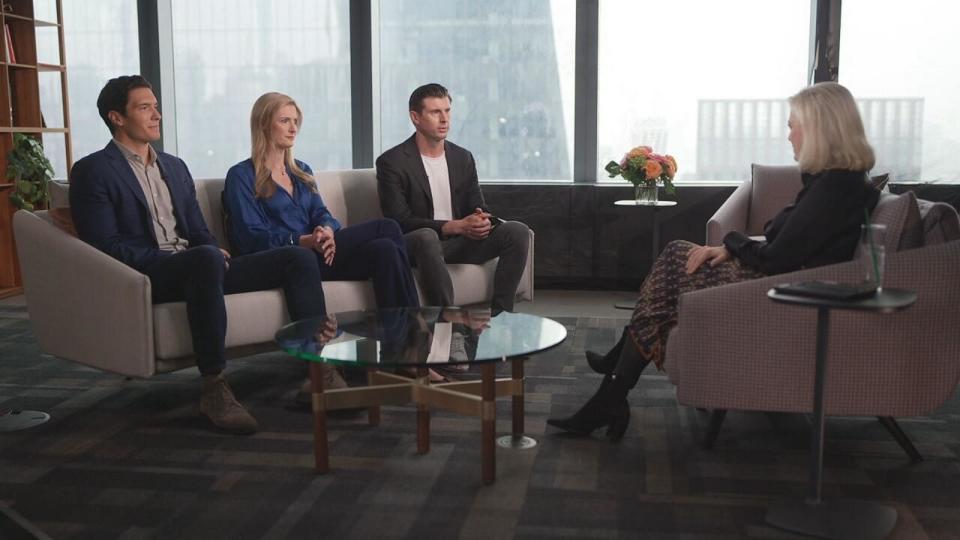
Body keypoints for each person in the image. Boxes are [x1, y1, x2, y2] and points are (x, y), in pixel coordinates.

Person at [547, 81, 881, 441]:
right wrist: (731, 248)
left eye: (792, 125)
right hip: (780, 281)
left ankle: (616, 379)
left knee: (675, 263)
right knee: (678, 257)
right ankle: (614, 388)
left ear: (819, 128)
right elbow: (783, 240)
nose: (789, 136)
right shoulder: (834, 183)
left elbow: (776, 256)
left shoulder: (833, 189)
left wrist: (732, 241)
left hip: (784, 293)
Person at [70, 76, 328, 435]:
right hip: (149, 273)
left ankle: (318, 370)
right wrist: (194, 256)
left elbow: (198, 230)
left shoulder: (174, 166)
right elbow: (105, 245)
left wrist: (211, 248)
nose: (156, 115)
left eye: (156, 106)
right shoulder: (93, 170)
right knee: (204, 259)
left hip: (200, 265)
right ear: (116, 117)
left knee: (296, 258)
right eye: (145, 108)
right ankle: (214, 387)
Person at [223, 92, 420, 390]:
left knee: (386, 249)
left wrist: (326, 230)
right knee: (387, 227)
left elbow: (324, 214)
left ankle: (398, 353)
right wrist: (304, 240)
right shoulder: (241, 176)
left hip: (320, 254)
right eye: (284, 121)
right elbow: (251, 238)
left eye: (296, 121)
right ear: (264, 125)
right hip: (290, 260)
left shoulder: (302, 172)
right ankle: (417, 345)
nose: (293, 128)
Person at [376, 83, 530, 313]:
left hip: (459, 243)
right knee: (427, 237)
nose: (444, 119)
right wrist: (452, 226)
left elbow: (476, 203)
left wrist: (480, 218)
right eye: (435, 112)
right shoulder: (392, 162)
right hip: (419, 245)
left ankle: (502, 315)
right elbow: (398, 220)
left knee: (517, 230)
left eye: (447, 111)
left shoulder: (462, 157)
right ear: (415, 117)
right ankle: (450, 321)